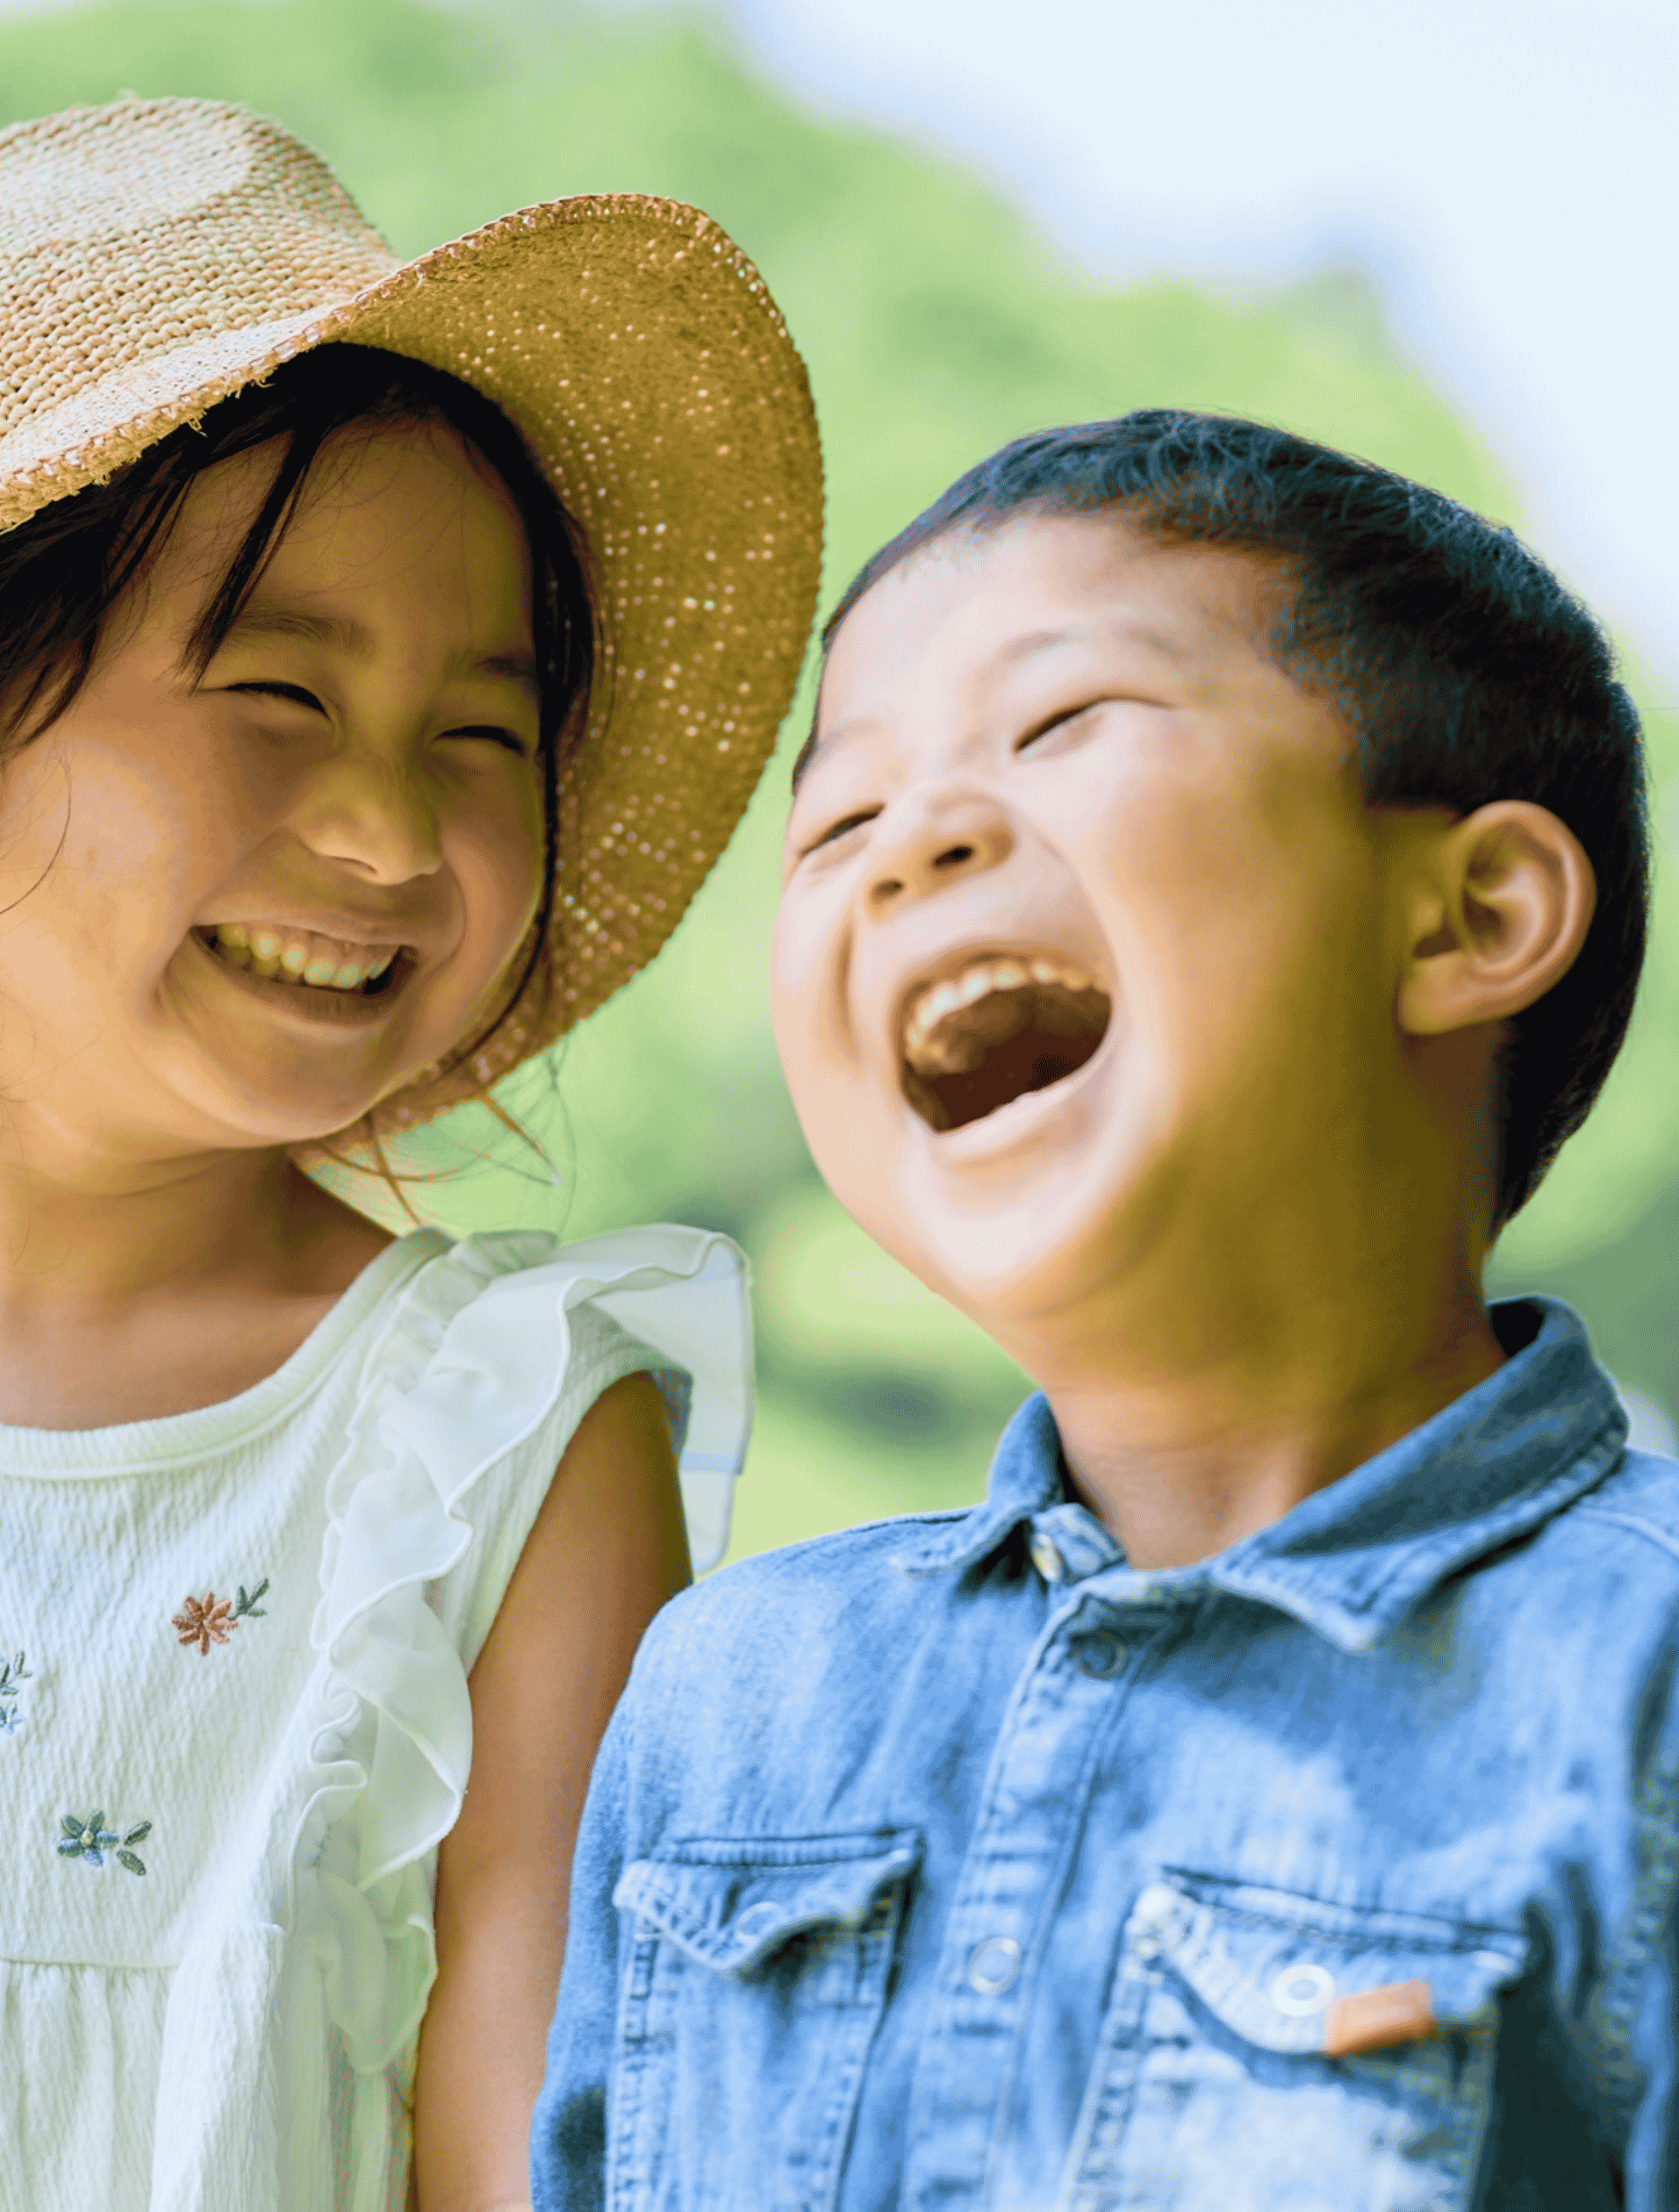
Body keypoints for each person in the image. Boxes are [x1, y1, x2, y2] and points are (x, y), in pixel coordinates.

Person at [0, 98, 821, 2211]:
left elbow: (527, 2165)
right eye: (274, 693)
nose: (390, 833)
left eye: (483, 732)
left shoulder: (496, 1454)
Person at [534, 410, 1677, 2209]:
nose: (910, 844)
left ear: (1473, 914)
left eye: (1062, 726)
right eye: (836, 822)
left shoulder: (1641, 1687)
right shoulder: (731, 1691)